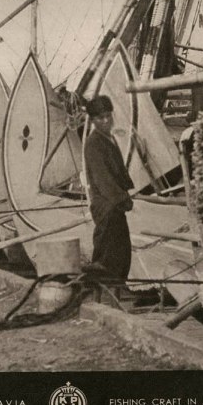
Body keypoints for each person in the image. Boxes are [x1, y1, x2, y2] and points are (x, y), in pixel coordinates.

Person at [83, 95, 134, 282]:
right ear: (93, 120)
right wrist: (123, 199)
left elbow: (118, 171)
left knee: (122, 254)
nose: (105, 121)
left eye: (107, 116)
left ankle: (114, 293)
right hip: (106, 206)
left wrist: (127, 190)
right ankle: (104, 298)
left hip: (114, 205)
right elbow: (103, 179)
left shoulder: (109, 138)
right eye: (100, 118)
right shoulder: (93, 143)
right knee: (108, 257)